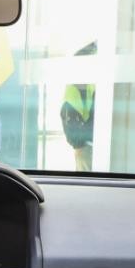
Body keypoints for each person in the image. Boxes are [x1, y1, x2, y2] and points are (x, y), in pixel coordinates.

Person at [60, 41, 97, 172]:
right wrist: (80, 145)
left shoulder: (89, 86)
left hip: (89, 146)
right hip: (85, 148)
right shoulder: (74, 90)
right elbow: (72, 131)